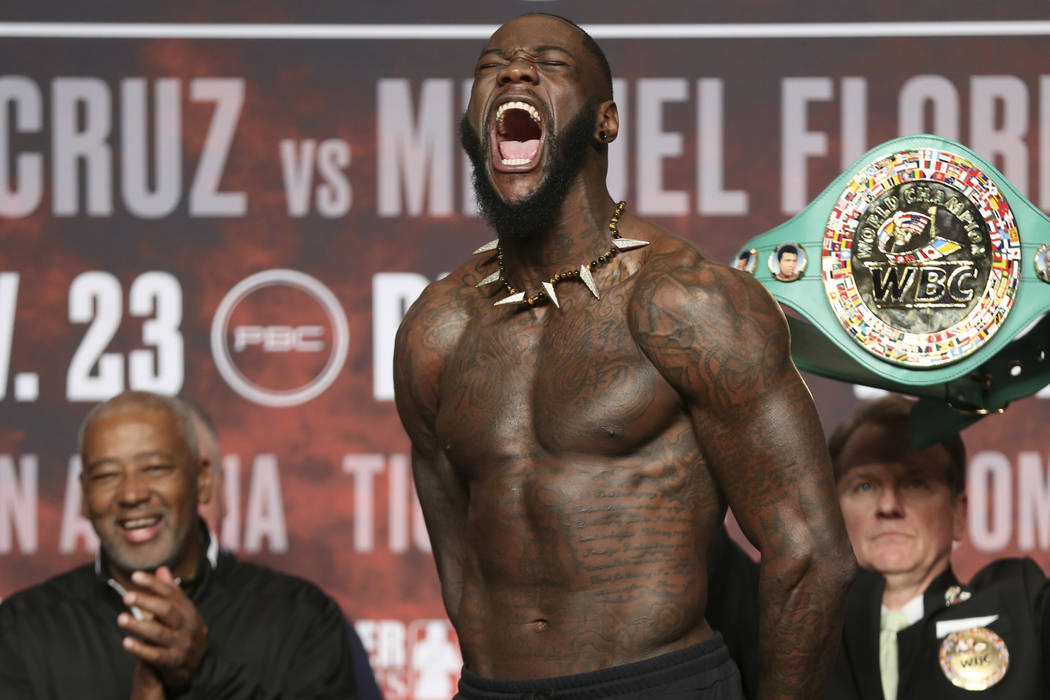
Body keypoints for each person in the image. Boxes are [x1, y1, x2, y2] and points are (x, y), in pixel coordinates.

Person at [393, 12, 855, 700]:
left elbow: (812, 557)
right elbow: (458, 563)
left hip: (659, 681)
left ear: (605, 122)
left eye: (549, 64)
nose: (515, 72)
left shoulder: (684, 304)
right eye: (493, 66)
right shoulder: (439, 327)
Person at [0, 391, 360, 699]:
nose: (131, 494)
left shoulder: (300, 619)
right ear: (83, 495)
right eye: (107, 475)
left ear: (202, 480)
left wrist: (201, 672)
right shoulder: (21, 629)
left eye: (154, 468)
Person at [823, 394, 1050, 699]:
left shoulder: (1023, 607)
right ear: (831, 512)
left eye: (916, 483)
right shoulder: (793, 632)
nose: (889, 505)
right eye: (865, 485)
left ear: (958, 513)